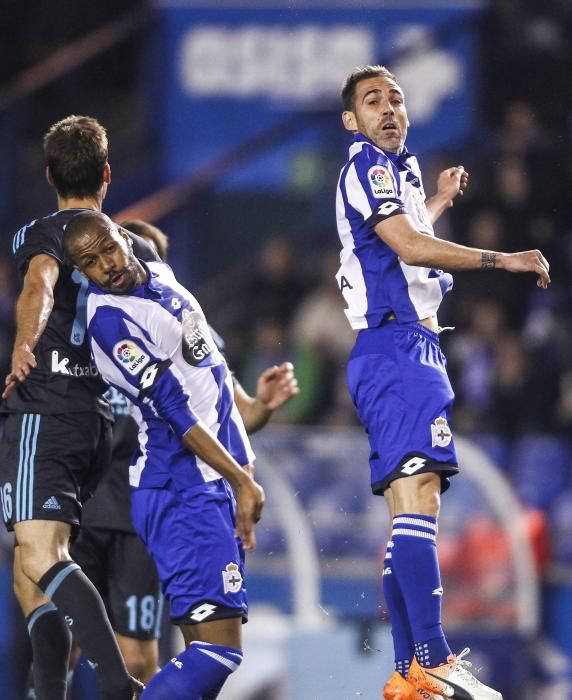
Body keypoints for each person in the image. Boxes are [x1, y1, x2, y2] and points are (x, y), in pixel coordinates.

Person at [335, 65, 550, 700]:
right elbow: (408, 248)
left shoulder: (395, 172)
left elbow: (393, 238)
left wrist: (435, 202)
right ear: (352, 120)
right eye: (372, 101)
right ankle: (433, 658)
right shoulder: (368, 165)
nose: (388, 108)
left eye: (396, 98)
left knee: (409, 502)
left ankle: (409, 672)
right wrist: (500, 258)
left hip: (395, 347)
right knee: (421, 494)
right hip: (399, 347)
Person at [69, 219, 299, 697]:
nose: (106, 266)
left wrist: (256, 413)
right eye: (89, 263)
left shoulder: (165, 283)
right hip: (180, 490)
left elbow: (211, 387)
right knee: (219, 652)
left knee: (202, 666)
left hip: (208, 487)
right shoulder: (110, 323)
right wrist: (241, 481)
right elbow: (175, 412)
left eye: (109, 250)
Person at [0, 115, 159, 700]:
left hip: (47, 410)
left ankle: (116, 685)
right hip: (95, 420)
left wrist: (24, 343)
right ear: (108, 175)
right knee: (28, 574)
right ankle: (49, 693)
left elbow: (40, 286)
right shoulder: (135, 252)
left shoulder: (43, 234)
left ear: (48, 175)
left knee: (43, 553)